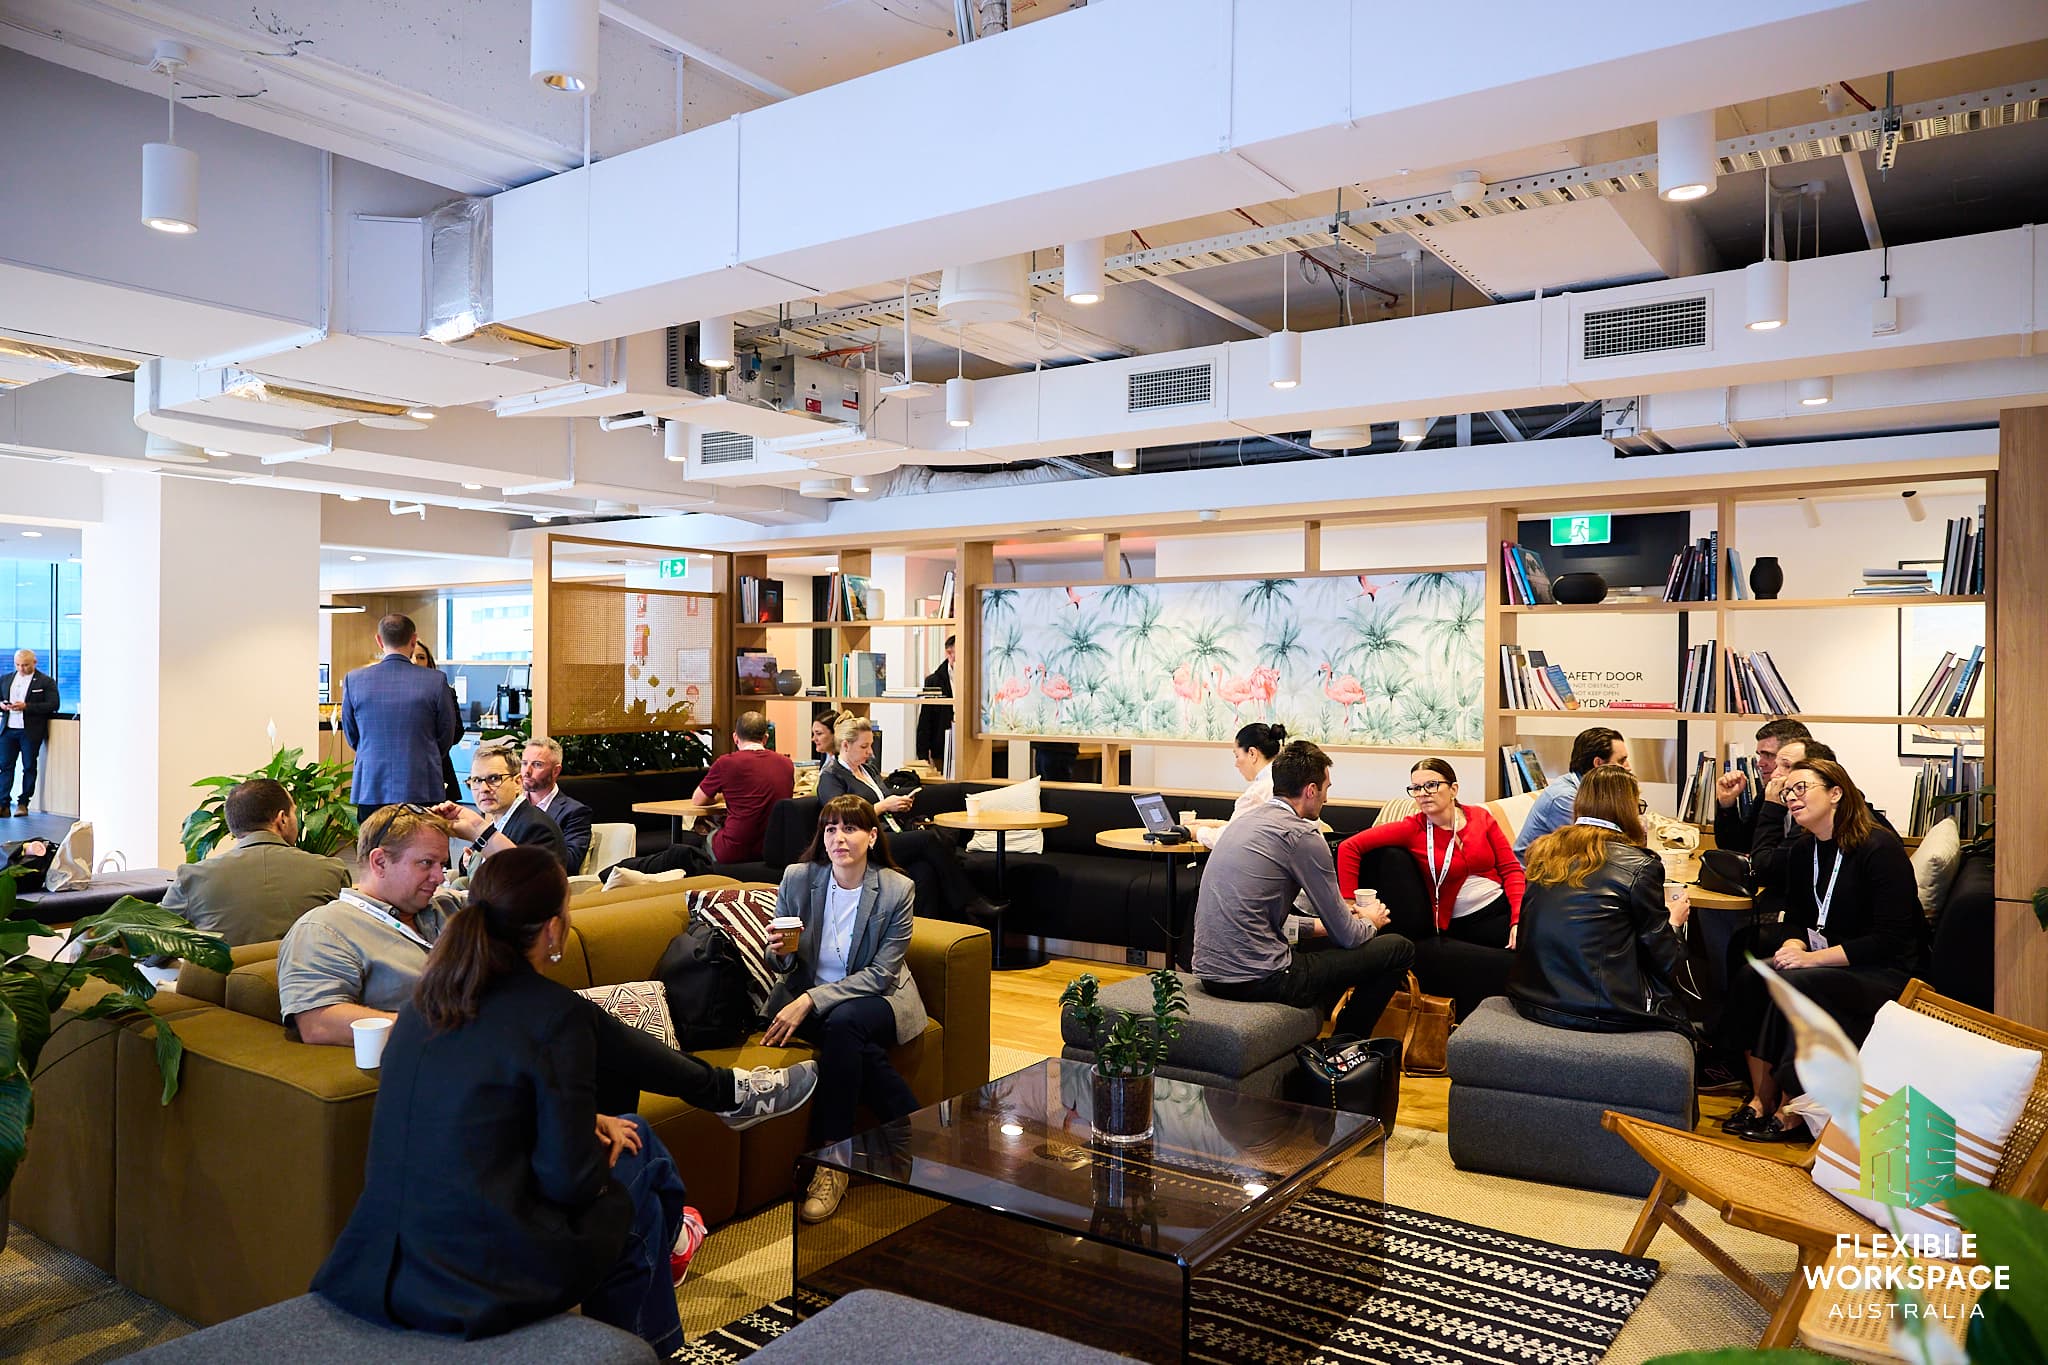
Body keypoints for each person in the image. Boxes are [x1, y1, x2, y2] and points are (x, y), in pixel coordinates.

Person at [312, 848, 818, 1353]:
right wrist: (580, 1130)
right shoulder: (556, 1016)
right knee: (640, 1168)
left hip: (378, 1257)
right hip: (480, 1276)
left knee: (632, 1138)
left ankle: (671, 1248)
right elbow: (571, 1181)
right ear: (553, 930)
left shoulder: (424, 1004)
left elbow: (467, 1108)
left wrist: (581, 1119)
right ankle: (647, 1342)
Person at [1718, 757, 1927, 1144]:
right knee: (1754, 973)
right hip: (1829, 961)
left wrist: (1811, 957)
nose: (1792, 798)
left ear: (1835, 793)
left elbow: (1891, 939)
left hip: (1884, 969)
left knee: (1798, 981)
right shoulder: (1804, 850)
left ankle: (1792, 1106)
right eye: (1787, 792)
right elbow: (1797, 917)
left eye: (1801, 789)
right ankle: (1761, 1096)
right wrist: (1795, 943)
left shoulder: (1878, 847)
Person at [764, 795, 928, 1224]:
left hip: (880, 998)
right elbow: (781, 962)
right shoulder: (799, 879)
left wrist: (809, 1000)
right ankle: (911, 1126)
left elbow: (880, 974)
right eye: (831, 828)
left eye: (851, 828)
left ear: (873, 837)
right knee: (844, 1032)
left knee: (845, 1020)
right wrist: (780, 952)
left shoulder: (896, 889)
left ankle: (831, 1164)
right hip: (819, 1001)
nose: (839, 837)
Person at [1193, 741, 1416, 1043]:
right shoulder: (1303, 835)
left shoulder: (1243, 823)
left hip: (1211, 975)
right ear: (1310, 790)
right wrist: (1370, 921)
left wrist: (1323, 926)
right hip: (1260, 978)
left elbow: (1260, 919)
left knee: (1327, 944)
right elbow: (1348, 937)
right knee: (1398, 948)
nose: (1327, 797)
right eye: (1326, 788)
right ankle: (1341, 1048)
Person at [1508, 766, 1696, 1034]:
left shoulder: (1543, 850)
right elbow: (1665, 959)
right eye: (1638, 806)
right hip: (1599, 1010)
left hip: (1530, 999)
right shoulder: (1640, 865)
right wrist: (1675, 922)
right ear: (1627, 809)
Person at [1336, 758, 1525, 1020]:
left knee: (1547, 932)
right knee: (1533, 952)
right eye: (1416, 788)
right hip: (1467, 922)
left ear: (1454, 789)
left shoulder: (1480, 818)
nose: (1423, 793)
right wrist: (1348, 903)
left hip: (1503, 905)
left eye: (1432, 785)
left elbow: (1511, 869)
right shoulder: (1412, 829)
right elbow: (1349, 847)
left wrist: (1517, 917)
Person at [277, 804, 461, 1045]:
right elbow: (318, 1024)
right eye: (427, 863)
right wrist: (448, 1031)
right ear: (380, 862)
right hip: (434, 1054)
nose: (440, 877)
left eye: (442, 865)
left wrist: (481, 832)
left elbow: (523, 894)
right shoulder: (325, 928)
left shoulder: (448, 907)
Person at [817, 715, 998, 923]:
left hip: (888, 833)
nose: (870, 752)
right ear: (846, 745)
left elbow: (880, 799)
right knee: (928, 840)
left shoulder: (868, 770)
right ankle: (970, 901)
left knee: (924, 872)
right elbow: (840, 817)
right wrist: (884, 806)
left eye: (870, 746)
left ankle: (929, 940)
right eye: (864, 747)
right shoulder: (832, 776)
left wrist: (898, 803)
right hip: (862, 843)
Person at [161, 778, 351, 946]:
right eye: (294, 812)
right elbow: (349, 942)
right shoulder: (331, 872)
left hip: (225, 986)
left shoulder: (193, 878)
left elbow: (150, 946)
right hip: (304, 984)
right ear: (282, 819)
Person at [342, 615, 463, 825]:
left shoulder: (354, 680)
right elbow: (446, 733)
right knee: (426, 850)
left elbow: (352, 734)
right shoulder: (435, 680)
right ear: (413, 640)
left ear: (379, 640)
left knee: (375, 848)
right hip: (422, 782)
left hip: (371, 783)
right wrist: (426, 753)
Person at [435, 740, 568, 875]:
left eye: (493, 779)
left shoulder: (536, 828)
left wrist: (478, 828)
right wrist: (468, 862)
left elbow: (524, 883)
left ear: (517, 782)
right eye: (476, 780)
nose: (484, 789)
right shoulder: (499, 821)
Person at [693, 711, 795, 865]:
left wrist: (721, 796)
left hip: (734, 849)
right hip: (775, 849)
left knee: (708, 837)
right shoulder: (786, 763)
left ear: (735, 737)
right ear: (765, 738)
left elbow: (698, 800)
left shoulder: (726, 763)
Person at [1512, 726, 1630, 858]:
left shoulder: (1592, 791)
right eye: (1621, 761)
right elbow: (1590, 849)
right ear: (1598, 763)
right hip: (1533, 872)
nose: (1628, 767)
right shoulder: (1565, 797)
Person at [1712, 718, 1812, 856]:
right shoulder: (1769, 791)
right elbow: (1736, 847)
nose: (1760, 764)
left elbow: (1774, 864)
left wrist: (1773, 807)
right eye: (1760, 755)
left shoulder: (1811, 801)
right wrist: (1727, 804)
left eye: (1769, 755)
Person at [1193, 722, 1288, 849]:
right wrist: (1213, 824)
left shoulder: (1258, 792)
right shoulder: (1285, 779)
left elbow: (1229, 838)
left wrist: (1195, 832)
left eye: (1237, 755)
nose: (1236, 764)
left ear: (1252, 753)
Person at [519, 737, 593, 873]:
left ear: (555, 771)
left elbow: (570, 862)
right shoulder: (513, 803)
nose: (526, 772)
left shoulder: (575, 812)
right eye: (524, 763)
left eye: (537, 765)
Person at [0, 648, 59, 818]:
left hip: (30, 731)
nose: (21, 668)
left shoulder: (45, 682)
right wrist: (3, 705)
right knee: (5, 767)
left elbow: (53, 704)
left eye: (25, 665)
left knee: (29, 767)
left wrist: (27, 706)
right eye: (18, 665)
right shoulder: (6, 679)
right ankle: (3, 804)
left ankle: (23, 802)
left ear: (34, 663)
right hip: (8, 729)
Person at [408, 640, 464, 804]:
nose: (415, 662)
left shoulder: (444, 691)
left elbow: (456, 732)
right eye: (411, 657)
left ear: (429, 662)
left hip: (438, 768)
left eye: (421, 657)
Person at [914, 635, 955, 767]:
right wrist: (923, 756)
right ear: (949, 653)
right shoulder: (934, 681)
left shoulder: (976, 677)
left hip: (968, 746)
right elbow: (925, 720)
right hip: (942, 749)